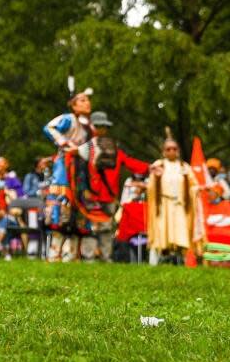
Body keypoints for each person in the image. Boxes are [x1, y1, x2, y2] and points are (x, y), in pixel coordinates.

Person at [76, 112, 150, 262]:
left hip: (108, 197)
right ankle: (88, 258)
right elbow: (78, 171)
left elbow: (130, 163)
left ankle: (106, 257)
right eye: (97, 126)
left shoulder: (114, 149)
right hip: (90, 195)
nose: (101, 129)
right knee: (90, 228)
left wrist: (150, 168)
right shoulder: (86, 147)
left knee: (107, 228)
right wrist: (82, 190)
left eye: (103, 126)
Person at [43, 86, 94, 261]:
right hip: (64, 170)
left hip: (82, 172)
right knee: (61, 207)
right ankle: (54, 252)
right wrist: (66, 144)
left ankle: (71, 255)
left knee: (79, 211)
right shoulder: (68, 119)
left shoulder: (90, 126)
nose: (87, 103)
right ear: (73, 105)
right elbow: (49, 128)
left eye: (88, 100)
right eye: (82, 100)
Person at [146, 134, 198, 265]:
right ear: (164, 151)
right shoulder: (159, 164)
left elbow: (194, 186)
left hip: (180, 204)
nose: (171, 151)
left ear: (178, 151)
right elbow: (150, 185)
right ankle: (158, 260)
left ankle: (180, 260)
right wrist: (157, 178)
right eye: (168, 149)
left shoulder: (184, 167)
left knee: (180, 233)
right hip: (162, 204)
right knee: (162, 231)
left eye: (174, 149)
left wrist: (193, 190)